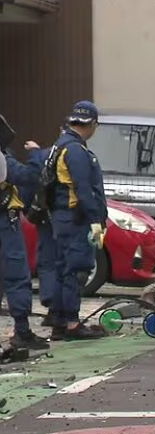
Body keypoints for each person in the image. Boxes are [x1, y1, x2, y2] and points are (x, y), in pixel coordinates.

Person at [48, 101, 107, 341]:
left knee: (63, 271)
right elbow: (84, 189)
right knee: (76, 270)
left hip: (62, 217)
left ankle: (60, 322)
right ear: (92, 124)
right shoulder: (75, 151)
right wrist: (95, 220)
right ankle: (72, 324)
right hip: (76, 219)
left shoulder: (59, 146)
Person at [0, 113, 48, 349]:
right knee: (16, 276)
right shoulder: (3, 160)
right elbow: (29, 177)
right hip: (4, 223)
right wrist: (36, 155)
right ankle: (22, 331)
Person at [22, 130, 64, 327]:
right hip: (65, 217)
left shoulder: (43, 156)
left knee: (47, 262)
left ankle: (52, 306)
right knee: (64, 263)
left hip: (45, 217)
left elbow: (28, 182)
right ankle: (61, 310)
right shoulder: (75, 153)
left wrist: (28, 208)